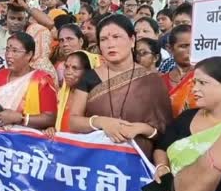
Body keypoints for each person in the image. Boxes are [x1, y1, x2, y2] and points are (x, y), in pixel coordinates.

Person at [69, 14, 172, 158]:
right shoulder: (89, 77)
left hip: (139, 162)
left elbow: (165, 132)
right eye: (104, 39)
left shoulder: (151, 80)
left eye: (116, 37)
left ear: (132, 40)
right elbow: (73, 121)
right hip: (96, 159)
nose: (110, 44)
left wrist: (141, 128)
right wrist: (101, 122)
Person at [154, 56, 221, 191]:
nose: (194, 89)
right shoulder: (186, 117)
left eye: (203, 83)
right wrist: (162, 167)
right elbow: (161, 147)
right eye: (194, 82)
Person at [0, 32, 57, 130]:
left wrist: (19, 118)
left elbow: (50, 119)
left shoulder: (42, 80)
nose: (9, 55)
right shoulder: (0, 75)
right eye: (7, 50)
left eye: (15, 51)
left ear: (29, 55)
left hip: (26, 140)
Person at [44, 51, 92, 137]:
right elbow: (54, 122)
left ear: (87, 72)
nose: (68, 72)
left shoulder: (93, 99)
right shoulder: (60, 94)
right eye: (66, 67)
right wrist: (51, 128)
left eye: (75, 68)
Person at [161, 25, 197, 118]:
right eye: (183, 46)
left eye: (194, 45)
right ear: (170, 48)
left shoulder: (206, 78)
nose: (190, 51)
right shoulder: (160, 82)